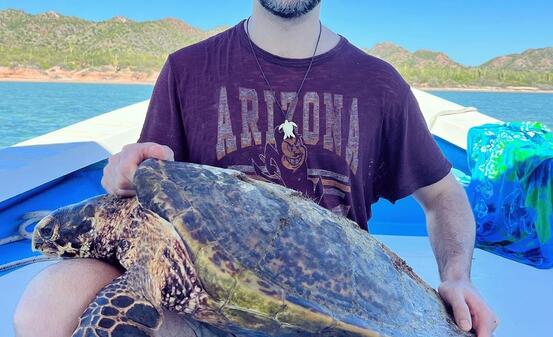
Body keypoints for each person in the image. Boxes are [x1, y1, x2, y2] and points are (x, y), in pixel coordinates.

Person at [14, 0, 499, 336]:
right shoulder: (187, 69)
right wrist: (120, 173)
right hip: (210, 310)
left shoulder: (379, 83)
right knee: (47, 304)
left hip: (328, 315)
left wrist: (458, 275)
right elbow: (146, 177)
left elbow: (444, 196)